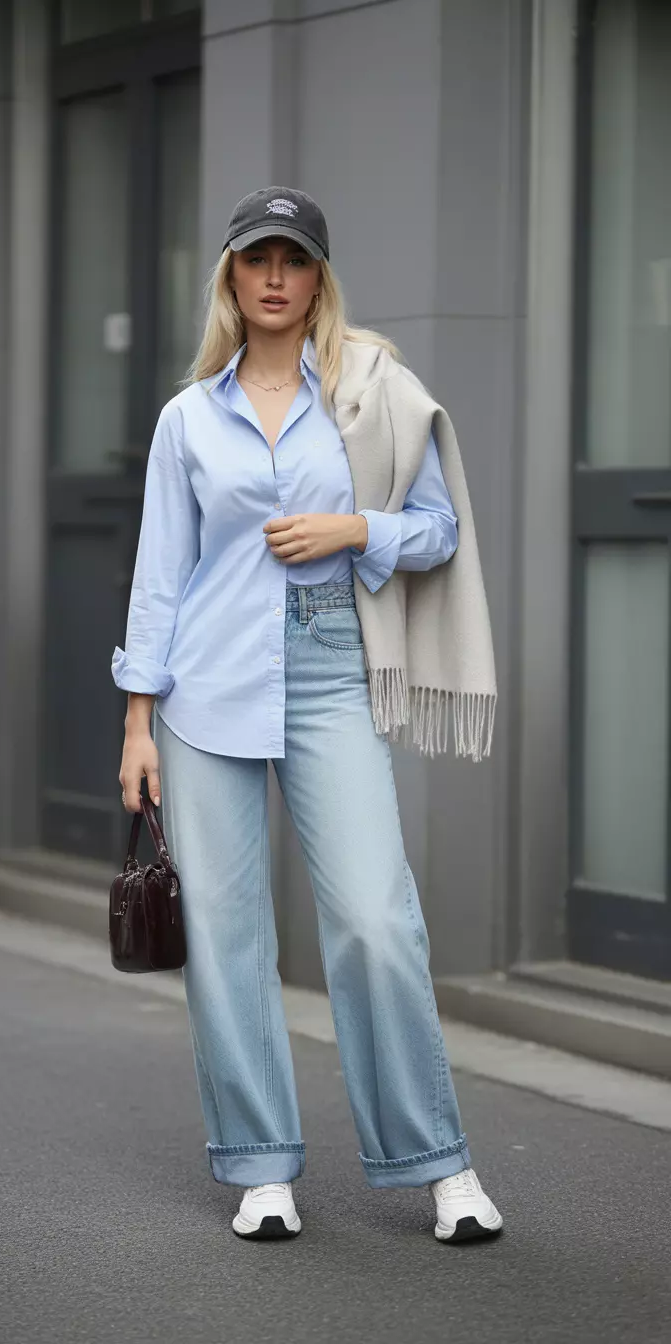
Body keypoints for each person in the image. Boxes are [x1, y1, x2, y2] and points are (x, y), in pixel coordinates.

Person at [112, 186, 503, 1244]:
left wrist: (353, 528)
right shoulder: (189, 419)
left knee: (377, 918)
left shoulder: (372, 392)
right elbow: (160, 576)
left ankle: (440, 1165)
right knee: (226, 932)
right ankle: (261, 1169)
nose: (275, 276)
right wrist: (140, 721)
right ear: (232, 277)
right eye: (257, 258)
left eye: (294, 258)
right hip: (205, 687)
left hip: (332, 667)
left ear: (319, 276)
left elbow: (439, 529)